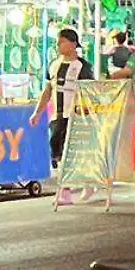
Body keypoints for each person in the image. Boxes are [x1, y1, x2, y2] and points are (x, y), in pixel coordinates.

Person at [31, 29, 94, 168]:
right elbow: (47, 90)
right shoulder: (54, 65)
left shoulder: (83, 67)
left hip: (75, 119)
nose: (58, 44)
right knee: (56, 151)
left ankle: (67, 186)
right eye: (57, 42)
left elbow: (90, 93)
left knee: (70, 156)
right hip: (56, 117)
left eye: (62, 41)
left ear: (73, 44)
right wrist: (37, 112)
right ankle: (63, 182)